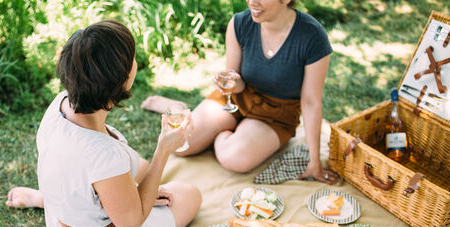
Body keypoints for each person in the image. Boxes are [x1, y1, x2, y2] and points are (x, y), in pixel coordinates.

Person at [5, 20, 202, 227]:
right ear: (123, 79)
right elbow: (131, 223)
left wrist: (136, 190)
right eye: (132, 58)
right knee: (189, 194)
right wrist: (163, 150)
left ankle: (46, 199)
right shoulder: (104, 155)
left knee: (140, 168)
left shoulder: (60, 104)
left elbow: (87, 166)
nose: (135, 62)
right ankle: (51, 200)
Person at [141, 0, 339, 184]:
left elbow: (311, 102)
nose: (252, 1)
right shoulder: (239, 23)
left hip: (277, 114)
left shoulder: (313, 37)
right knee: (180, 145)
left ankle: (224, 131)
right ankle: (183, 109)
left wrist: (315, 163)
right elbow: (237, 82)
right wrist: (229, 82)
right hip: (237, 98)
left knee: (234, 159)